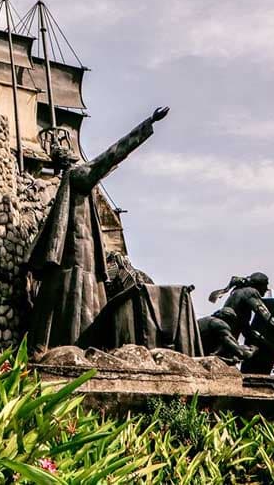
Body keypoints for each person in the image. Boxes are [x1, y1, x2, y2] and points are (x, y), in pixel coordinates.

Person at [26, 107, 169, 350]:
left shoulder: (71, 184)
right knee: (82, 298)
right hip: (80, 256)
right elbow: (112, 155)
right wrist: (147, 125)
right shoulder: (80, 175)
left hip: (82, 257)